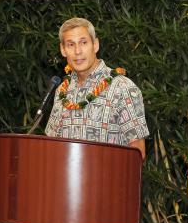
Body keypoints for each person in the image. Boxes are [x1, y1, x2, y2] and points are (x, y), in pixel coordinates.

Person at [45, 17, 148, 158]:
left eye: (83, 43)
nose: (77, 51)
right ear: (63, 50)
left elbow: (138, 154)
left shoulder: (122, 87)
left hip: (108, 179)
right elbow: (50, 145)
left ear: (95, 45)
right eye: (70, 45)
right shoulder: (62, 90)